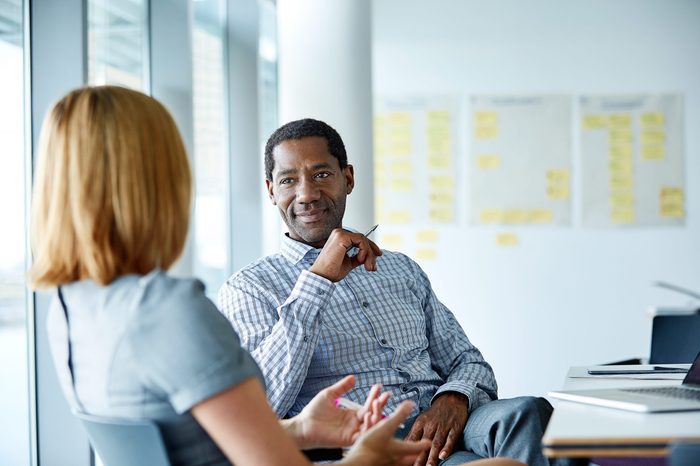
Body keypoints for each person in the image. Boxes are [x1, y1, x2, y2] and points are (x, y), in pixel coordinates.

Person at [29, 86, 434, 466]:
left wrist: (299, 429)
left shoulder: (69, 308)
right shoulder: (169, 309)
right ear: (157, 183)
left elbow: (187, 445)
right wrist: (368, 457)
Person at [218, 118, 554, 466]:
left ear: (347, 178)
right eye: (289, 180)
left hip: (450, 422)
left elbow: (467, 361)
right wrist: (317, 281)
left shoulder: (400, 269)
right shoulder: (250, 288)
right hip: (371, 448)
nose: (306, 194)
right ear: (272, 190)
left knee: (526, 412)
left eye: (321, 175)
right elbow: (263, 405)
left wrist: (453, 398)